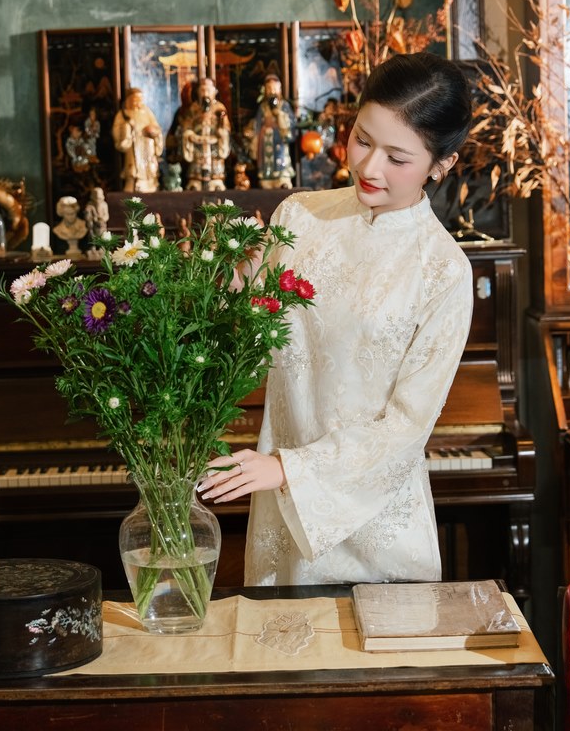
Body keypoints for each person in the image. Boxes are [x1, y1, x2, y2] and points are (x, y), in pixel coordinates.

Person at [196, 52, 475, 586]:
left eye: (398, 157)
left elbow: (407, 426)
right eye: (363, 140)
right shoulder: (299, 216)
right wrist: (225, 286)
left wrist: (287, 469)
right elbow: (246, 341)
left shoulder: (443, 271)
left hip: (381, 531)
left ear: (441, 164)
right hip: (282, 515)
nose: (369, 168)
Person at [181, 77, 231, 192]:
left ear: (214, 92)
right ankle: (196, 180)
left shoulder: (219, 108)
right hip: (198, 143)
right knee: (197, 163)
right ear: (198, 92)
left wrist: (221, 132)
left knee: (215, 161)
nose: (205, 93)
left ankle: (216, 180)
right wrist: (190, 134)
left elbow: (226, 127)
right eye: (202, 90)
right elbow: (187, 126)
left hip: (214, 143)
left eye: (208, 90)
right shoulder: (193, 108)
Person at [112, 88, 163, 193]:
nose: (138, 102)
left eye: (140, 99)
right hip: (133, 144)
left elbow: (156, 127)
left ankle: (150, 185)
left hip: (147, 144)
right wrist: (127, 127)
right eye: (135, 99)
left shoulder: (146, 111)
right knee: (133, 168)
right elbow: (116, 129)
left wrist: (153, 131)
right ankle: (132, 184)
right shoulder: (123, 114)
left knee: (149, 167)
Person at [249, 74, 295, 188]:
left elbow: (291, 123)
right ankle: (267, 178)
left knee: (281, 157)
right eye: (269, 88)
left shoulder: (284, 105)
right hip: (265, 139)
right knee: (266, 160)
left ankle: (282, 177)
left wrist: (279, 115)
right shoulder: (263, 107)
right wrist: (255, 139)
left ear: (279, 89)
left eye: (274, 88)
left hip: (279, 138)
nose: (272, 91)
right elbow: (257, 124)